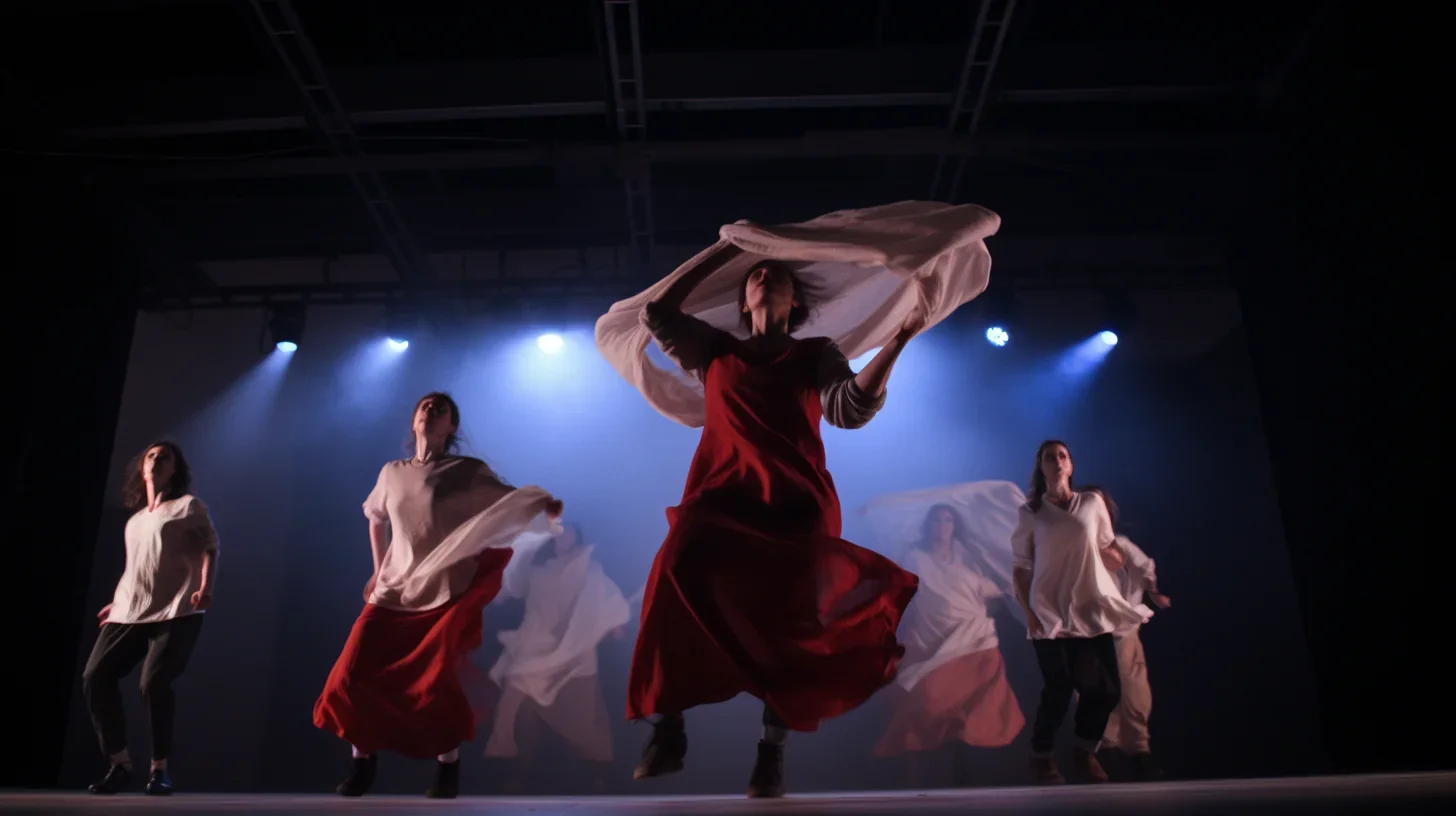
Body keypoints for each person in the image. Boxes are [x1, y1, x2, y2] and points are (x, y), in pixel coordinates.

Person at [626, 252, 921, 798]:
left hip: (795, 503)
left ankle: (770, 754)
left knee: (788, 629)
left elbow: (850, 409)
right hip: (720, 496)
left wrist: (898, 341)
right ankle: (668, 727)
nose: (765, 276)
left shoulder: (814, 354)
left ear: (797, 302)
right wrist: (728, 248)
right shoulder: (714, 350)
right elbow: (658, 312)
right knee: (674, 569)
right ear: (742, 301)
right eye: (755, 275)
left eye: (779, 276)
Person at [313, 392, 563, 799]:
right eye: (426, 405)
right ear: (414, 420)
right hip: (394, 590)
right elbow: (375, 518)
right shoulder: (392, 472)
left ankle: (447, 768)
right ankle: (362, 762)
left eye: (441, 408)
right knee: (351, 674)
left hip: (444, 590)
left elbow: (508, 501)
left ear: (452, 427)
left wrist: (543, 503)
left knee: (434, 684)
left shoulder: (465, 471)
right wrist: (377, 571)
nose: (431, 410)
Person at [82, 441, 219, 796]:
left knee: (153, 684)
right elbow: (137, 568)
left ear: (176, 469)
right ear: (142, 468)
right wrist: (117, 602)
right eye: (151, 456)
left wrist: (205, 587)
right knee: (95, 677)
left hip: (177, 610)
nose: (157, 460)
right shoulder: (136, 521)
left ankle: (159, 770)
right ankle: (119, 763)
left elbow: (209, 547)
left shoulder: (188, 506)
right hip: (131, 609)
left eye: (165, 457)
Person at [1011, 440, 1149, 785]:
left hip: (1089, 609)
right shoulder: (1031, 512)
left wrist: (1116, 559)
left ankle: (1084, 750)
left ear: (1071, 465)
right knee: (1058, 688)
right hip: (1049, 612)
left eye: (1062, 456)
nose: (1057, 461)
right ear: (1040, 467)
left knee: (1107, 691)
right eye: (1049, 457)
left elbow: (1107, 546)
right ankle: (1041, 757)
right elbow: (1020, 569)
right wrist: (1028, 613)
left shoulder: (1091, 503)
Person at [873, 505, 1025, 783]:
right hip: (928, 640)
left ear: (955, 525)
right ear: (927, 525)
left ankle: (966, 775)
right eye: (936, 520)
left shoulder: (970, 557)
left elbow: (994, 589)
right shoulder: (913, 558)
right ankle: (923, 776)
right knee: (927, 703)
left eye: (948, 519)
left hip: (972, 638)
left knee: (972, 706)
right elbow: (897, 592)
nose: (943, 525)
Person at [484, 522, 631, 791]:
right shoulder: (538, 570)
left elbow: (604, 598)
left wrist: (614, 624)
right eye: (559, 534)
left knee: (583, 717)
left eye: (569, 532)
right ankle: (515, 768)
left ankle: (599, 773)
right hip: (534, 650)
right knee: (516, 708)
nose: (564, 537)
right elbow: (512, 585)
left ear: (577, 538)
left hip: (573, 652)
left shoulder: (589, 569)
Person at [1081, 486, 1172, 780]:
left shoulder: (1121, 544)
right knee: (1096, 693)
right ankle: (1105, 750)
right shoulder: (1074, 549)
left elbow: (1144, 566)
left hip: (1123, 630)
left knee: (1133, 692)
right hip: (1089, 633)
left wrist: (1154, 592)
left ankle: (1139, 752)